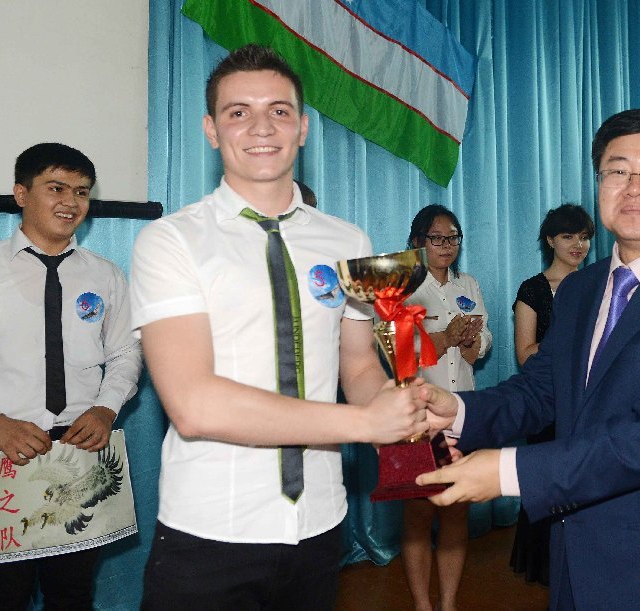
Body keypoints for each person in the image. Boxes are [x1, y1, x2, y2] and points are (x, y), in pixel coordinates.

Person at [417, 109, 640, 609]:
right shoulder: (581, 289)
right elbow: (542, 389)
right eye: (617, 170)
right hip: (575, 555)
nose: (634, 187)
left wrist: (508, 472)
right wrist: (456, 411)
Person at [130, 44, 429, 610]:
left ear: (303, 128)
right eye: (238, 112)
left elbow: (357, 366)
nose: (261, 127)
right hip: (210, 527)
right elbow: (193, 404)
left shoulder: (347, 241)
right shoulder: (171, 241)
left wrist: (401, 411)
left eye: (279, 110)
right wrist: (365, 423)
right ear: (211, 130)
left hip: (318, 521)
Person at [0, 143, 142, 610]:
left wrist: (106, 407)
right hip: (2, 449)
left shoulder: (106, 275)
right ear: (21, 194)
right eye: (56, 188)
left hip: (83, 448)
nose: (71, 202)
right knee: (2, 594)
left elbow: (126, 351)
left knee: (73, 592)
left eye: (82, 192)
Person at [401, 205, 492, 611]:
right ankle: (423, 603)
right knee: (419, 513)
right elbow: (399, 353)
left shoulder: (467, 284)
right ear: (417, 242)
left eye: (453, 237)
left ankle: (449, 602)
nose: (446, 245)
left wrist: (472, 339)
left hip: (462, 412)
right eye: (437, 238)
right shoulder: (404, 286)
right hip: (418, 416)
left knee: (456, 509)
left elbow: (484, 342)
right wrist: (445, 336)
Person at [510, 203, 593, 587]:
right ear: (550, 240)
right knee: (548, 482)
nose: (578, 245)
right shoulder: (533, 289)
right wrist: (564, 343)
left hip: (590, 401)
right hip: (548, 402)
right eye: (567, 236)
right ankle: (547, 566)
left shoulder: (600, 284)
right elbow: (525, 355)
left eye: (584, 237)